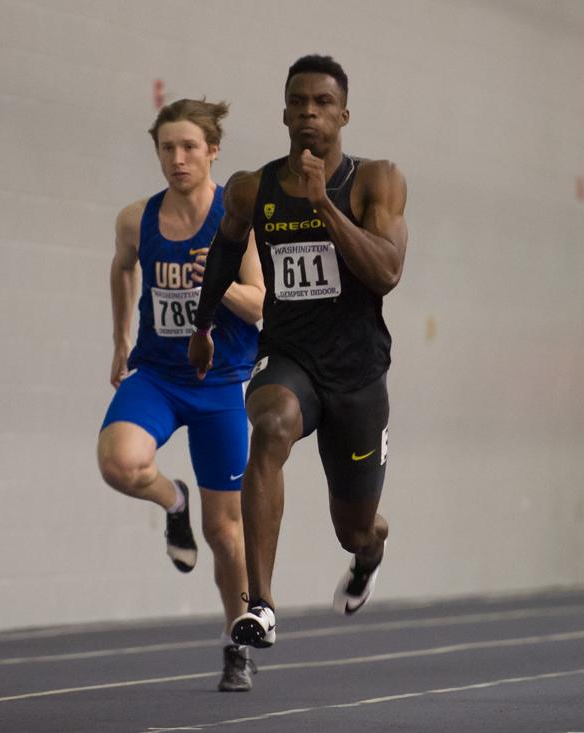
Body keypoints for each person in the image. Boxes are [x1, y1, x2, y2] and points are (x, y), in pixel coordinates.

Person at [188, 54, 408, 650]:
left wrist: (322, 206)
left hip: (358, 373)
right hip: (289, 356)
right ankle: (260, 605)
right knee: (270, 426)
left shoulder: (375, 180)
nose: (309, 113)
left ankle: (371, 551)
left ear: (343, 114)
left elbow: (386, 272)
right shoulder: (251, 188)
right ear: (284, 111)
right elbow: (227, 252)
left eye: (322, 104)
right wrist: (203, 326)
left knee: (354, 527)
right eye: (299, 102)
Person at [96, 100, 265, 691]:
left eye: (189, 146)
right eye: (167, 148)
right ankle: (173, 503)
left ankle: (235, 640)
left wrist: (211, 281)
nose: (178, 158)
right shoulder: (135, 219)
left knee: (225, 533)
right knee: (118, 463)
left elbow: (262, 303)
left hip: (221, 384)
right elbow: (122, 269)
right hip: (160, 377)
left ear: (213, 149)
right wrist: (120, 341)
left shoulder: (235, 218)